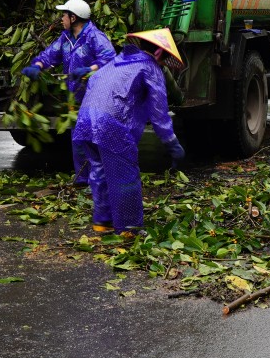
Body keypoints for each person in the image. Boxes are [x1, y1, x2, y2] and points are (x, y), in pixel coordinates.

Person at [72, 28, 185, 237]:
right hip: (112, 123)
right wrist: (171, 142)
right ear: (159, 53)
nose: (163, 64)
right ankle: (129, 228)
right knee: (125, 175)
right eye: (165, 58)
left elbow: (93, 83)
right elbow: (159, 113)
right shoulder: (150, 67)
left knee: (99, 170)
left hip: (85, 119)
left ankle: (102, 222)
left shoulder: (116, 62)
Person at [21, 0, 116, 186]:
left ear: (73, 18)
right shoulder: (65, 38)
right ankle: (82, 179)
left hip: (95, 97)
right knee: (78, 140)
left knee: (92, 140)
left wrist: (90, 69)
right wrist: (38, 65)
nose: (61, 18)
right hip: (74, 98)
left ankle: (100, 182)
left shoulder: (95, 37)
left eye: (64, 15)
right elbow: (50, 55)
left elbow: (110, 59)